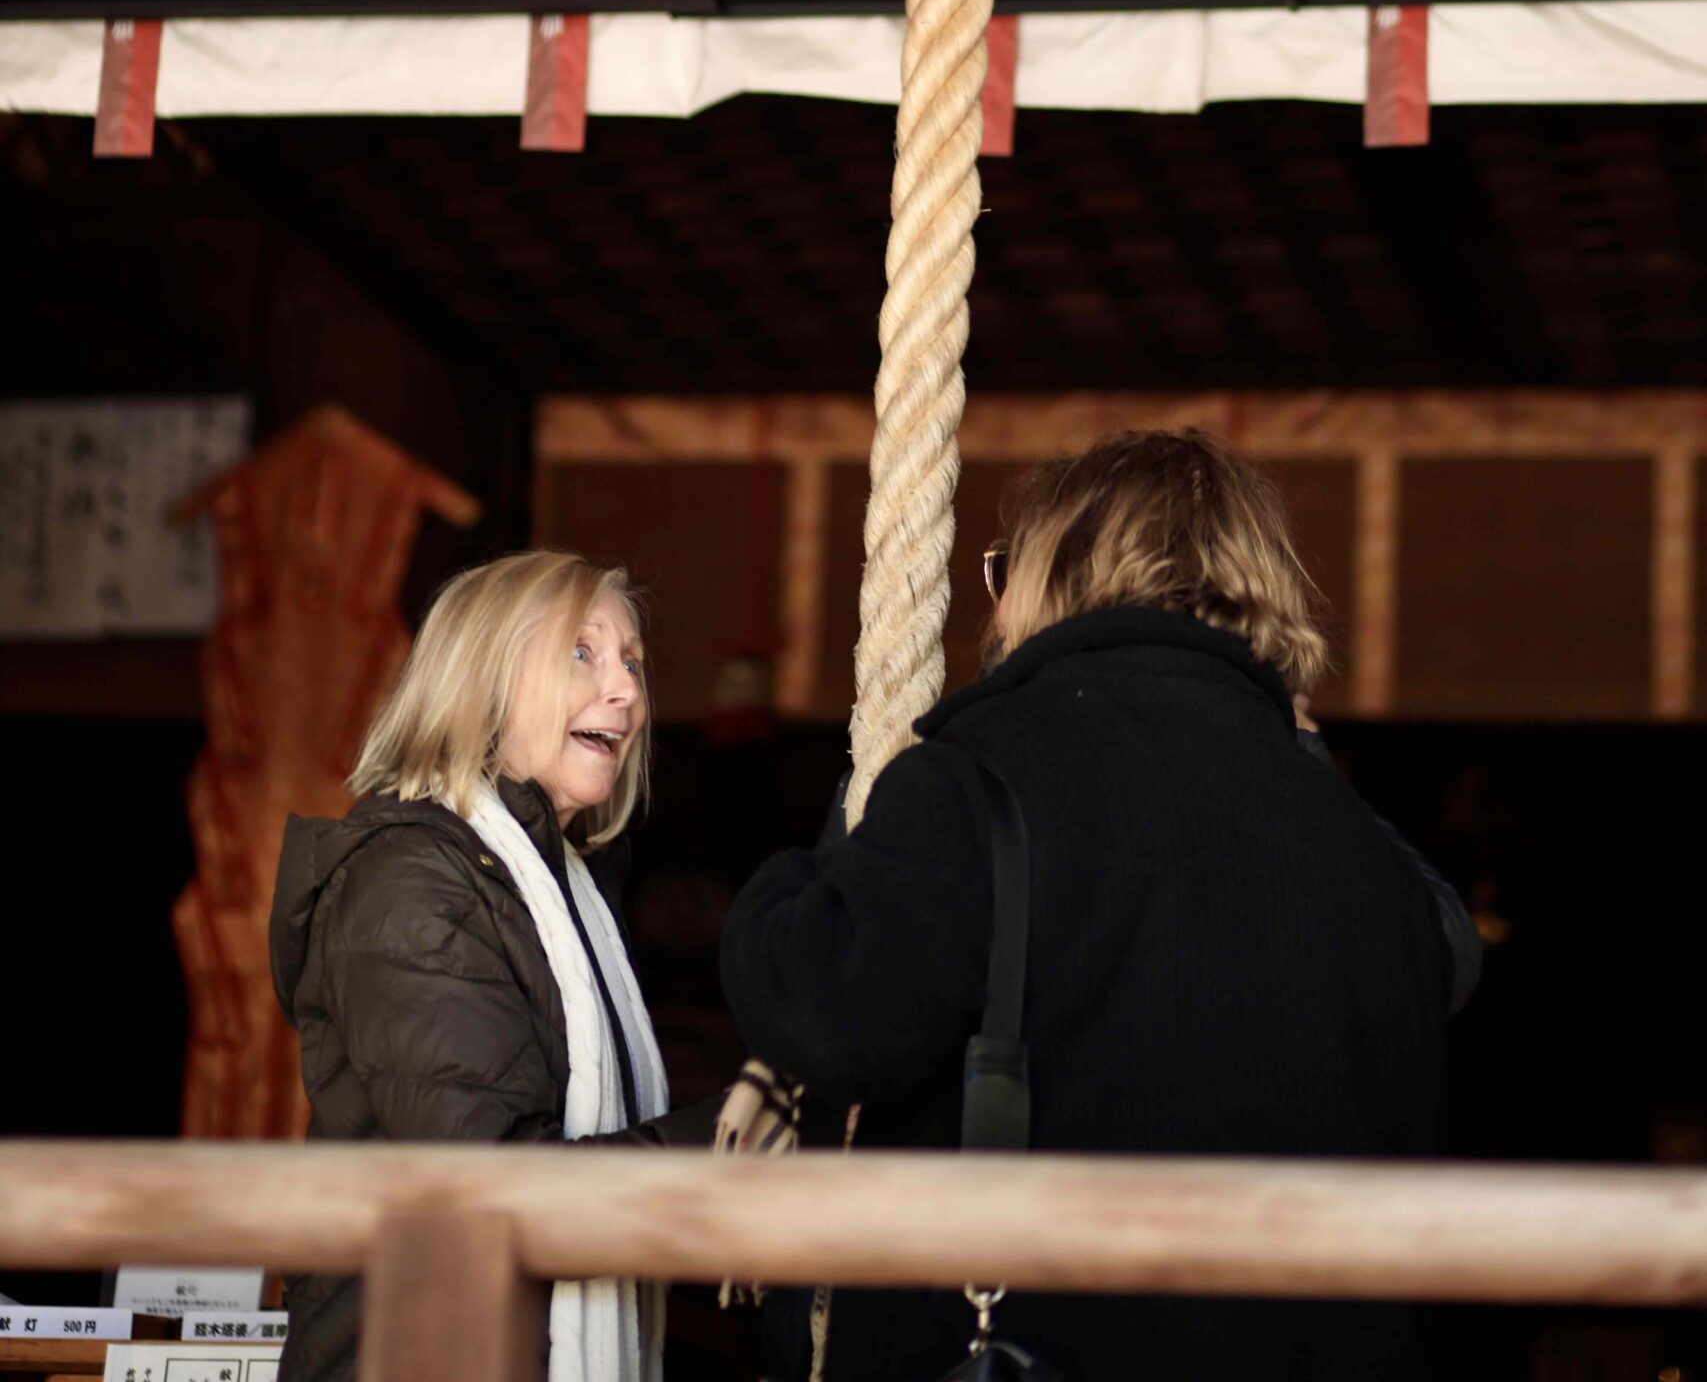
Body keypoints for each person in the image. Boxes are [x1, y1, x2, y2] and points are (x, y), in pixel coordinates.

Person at [720, 429, 1480, 1382]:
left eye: (1004, 571)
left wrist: (788, 881)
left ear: (1056, 574)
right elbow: (1446, 969)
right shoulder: (1353, 834)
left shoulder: (983, 772)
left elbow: (827, 1014)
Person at [271, 550, 716, 1382]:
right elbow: (499, 1189)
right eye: (581, 653)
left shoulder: (559, 887)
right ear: (481, 680)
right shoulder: (407, 883)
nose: (624, 691)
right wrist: (729, 1139)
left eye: (632, 663)